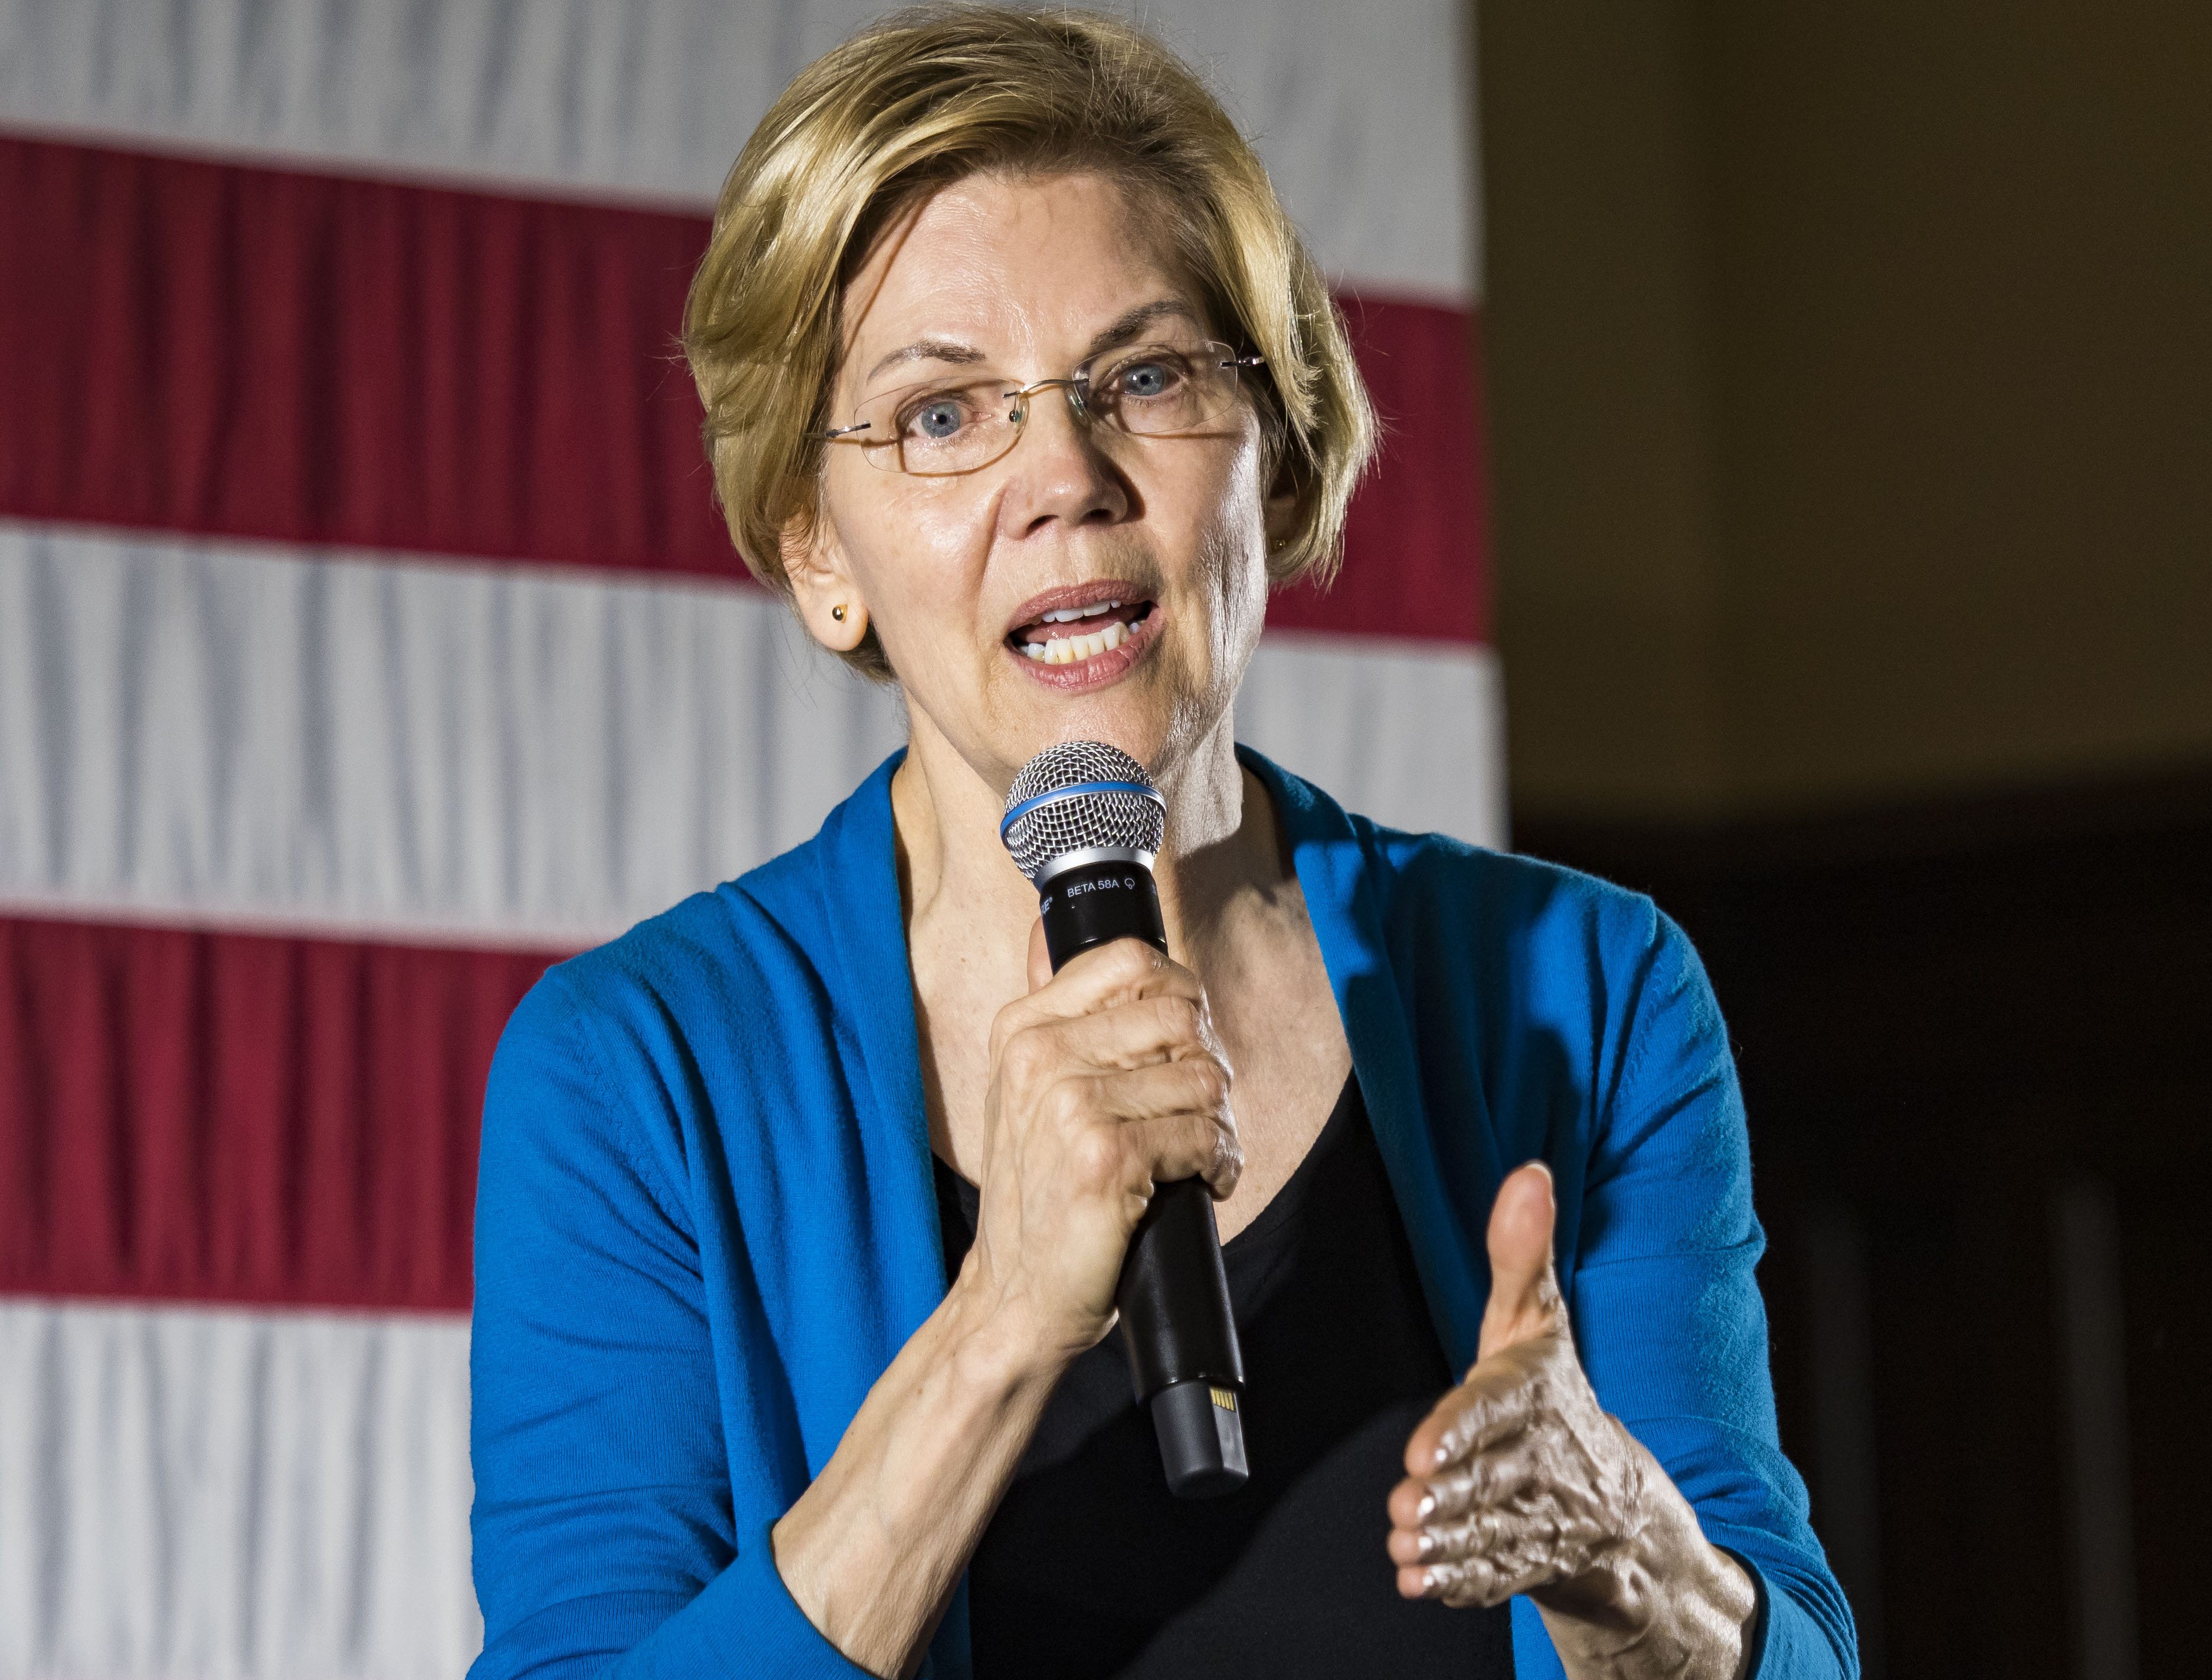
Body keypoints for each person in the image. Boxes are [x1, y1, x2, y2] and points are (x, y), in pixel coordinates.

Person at [466, 8, 1857, 1679]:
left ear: (1268, 453)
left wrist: (1633, 1567)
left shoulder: (1583, 991)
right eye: (939, 414)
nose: (1063, 474)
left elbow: (1774, 1645)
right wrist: (996, 1329)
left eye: (1144, 375)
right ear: (816, 551)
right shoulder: (640, 1073)